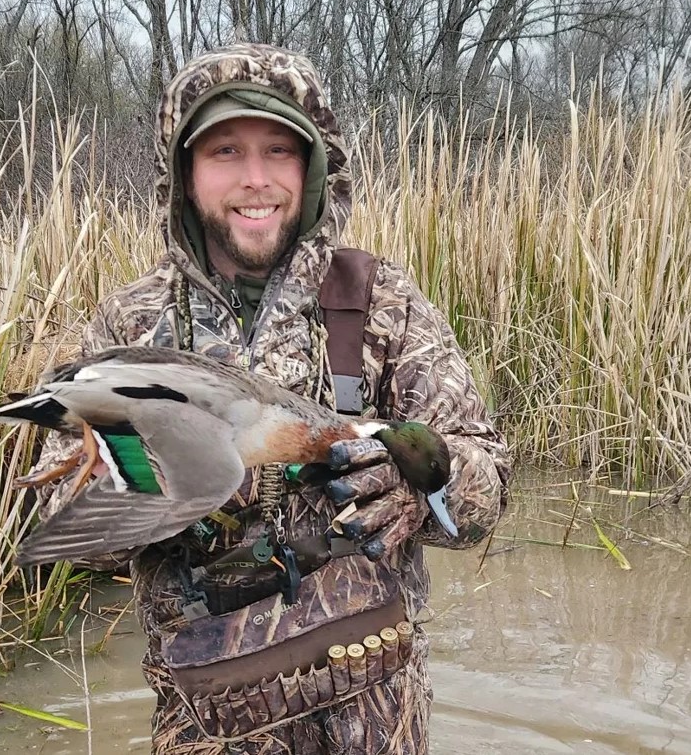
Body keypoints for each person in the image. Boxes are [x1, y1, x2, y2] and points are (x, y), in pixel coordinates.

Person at [33, 43, 510, 754]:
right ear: (185, 173)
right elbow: (57, 513)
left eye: (279, 151)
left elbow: (488, 488)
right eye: (225, 150)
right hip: (207, 718)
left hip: (373, 716)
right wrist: (146, 483)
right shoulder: (131, 324)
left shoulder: (381, 302)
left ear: (312, 166)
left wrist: (415, 489)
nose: (256, 180)